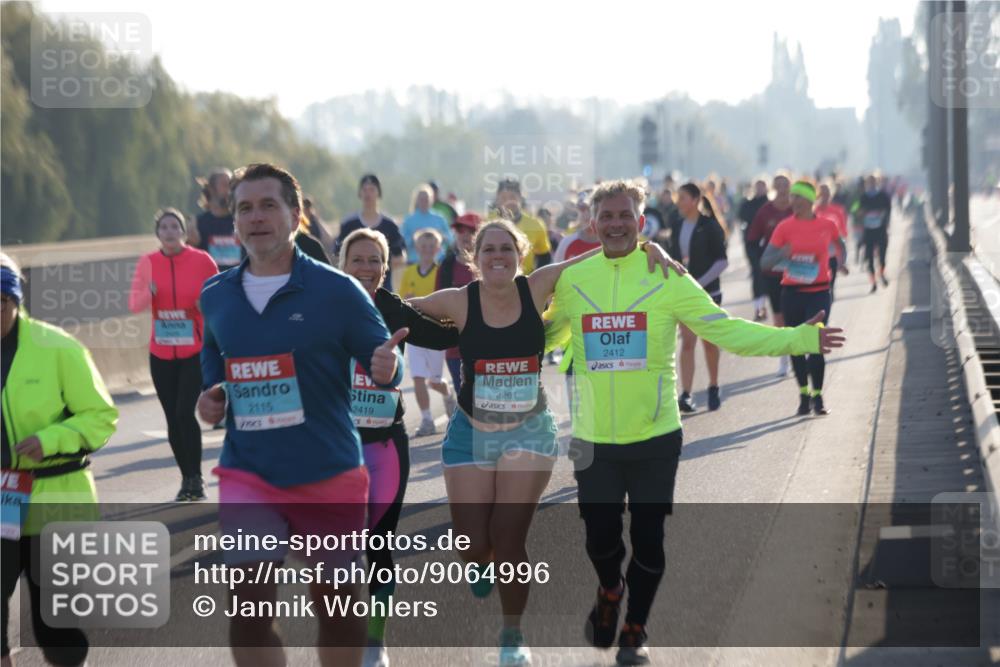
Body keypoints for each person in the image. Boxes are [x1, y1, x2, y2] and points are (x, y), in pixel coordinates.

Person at [545, 180, 844, 666]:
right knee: (599, 540)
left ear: (641, 223)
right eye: (608, 216)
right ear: (594, 223)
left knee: (649, 539)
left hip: (656, 435)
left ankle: (636, 629)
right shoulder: (573, 281)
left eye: (626, 216)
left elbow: (725, 330)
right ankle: (609, 588)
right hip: (591, 439)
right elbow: (540, 336)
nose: (617, 223)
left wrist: (799, 339)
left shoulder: (668, 278)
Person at [409, 219, 679, 667]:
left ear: (520, 254)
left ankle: (512, 635)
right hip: (470, 434)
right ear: (475, 259)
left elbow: (597, 253)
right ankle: (479, 559)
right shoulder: (458, 300)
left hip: (528, 431)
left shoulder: (535, 287)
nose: (498, 256)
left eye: (506, 249)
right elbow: (402, 307)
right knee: (472, 545)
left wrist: (651, 247)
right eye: (489, 249)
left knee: (508, 539)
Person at [197, 163, 405, 667]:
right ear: (234, 221)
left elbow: (385, 362)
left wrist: (388, 366)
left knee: (336, 611)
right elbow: (213, 382)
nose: (256, 217)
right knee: (247, 615)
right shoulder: (216, 296)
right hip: (249, 472)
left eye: (269, 205)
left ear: (296, 216)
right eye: (245, 207)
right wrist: (210, 402)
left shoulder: (338, 291)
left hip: (327, 471)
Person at [339, 228, 459, 667]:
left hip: (386, 445)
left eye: (375, 260)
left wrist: (488, 304)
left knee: (379, 546)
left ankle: (375, 640)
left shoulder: (393, 309)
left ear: (386, 267)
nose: (366, 268)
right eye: (358, 259)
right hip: (335, 448)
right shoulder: (323, 308)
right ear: (341, 262)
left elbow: (444, 335)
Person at [2, 253, 118, 667]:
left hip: (54, 493)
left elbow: (100, 417)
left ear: (16, 300)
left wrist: (50, 439)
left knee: (55, 618)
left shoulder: (58, 347)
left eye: (1, 301)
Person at [129, 208, 219, 501]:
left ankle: (198, 477)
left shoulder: (201, 260)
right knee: (172, 418)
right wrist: (150, 293)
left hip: (193, 349)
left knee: (185, 412)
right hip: (161, 352)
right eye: (164, 227)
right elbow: (134, 304)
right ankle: (186, 479)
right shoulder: (147, 263)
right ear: (158, 233)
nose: (169, 231)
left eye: (174, 226)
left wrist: (202, 303)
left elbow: (218, 298)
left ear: (183, 231)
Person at [761, 181, 846, 415]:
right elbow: (765, 262)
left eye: (799, 198)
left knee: (816, 342)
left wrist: (841, 261)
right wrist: (783, 253)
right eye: (792, 198)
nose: (794, 203)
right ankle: (803, 394)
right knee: (797, 344)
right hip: (792, 293)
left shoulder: (828, 224)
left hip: (819, 292)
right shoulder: (784, 227)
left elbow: (840, 244)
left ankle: (818, 397)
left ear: (810, 201)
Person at [670, 183, 729, 413]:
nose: (678, 202)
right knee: (687, 342)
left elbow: (722, 261)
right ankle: (686, 394)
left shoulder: (710, 226)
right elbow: (673, 258)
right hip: (685, 296)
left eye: (682, 197)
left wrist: (699, 283)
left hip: (709, 294)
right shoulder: (676, 225)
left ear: (695, 200)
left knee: (709, 342)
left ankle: (713, 386)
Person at [399, 228, 458, 434]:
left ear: (437, 248)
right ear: (417, 248)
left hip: (436, 331)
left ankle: (448, 394)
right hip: (415, 333)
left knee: (434, 381)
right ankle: (426, 420)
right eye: (423, 246)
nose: (426, 249)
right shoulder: (409, 273)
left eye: (431, 246)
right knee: (417, 377)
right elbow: (403, 300)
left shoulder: (440, 272)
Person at [746, 174, 794, 376]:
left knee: (795, 315)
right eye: (779, 186)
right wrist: (760, 262)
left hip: (796, 270)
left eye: (786, 185)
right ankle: (784, 359)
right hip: (773, 272)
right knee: (779, 316)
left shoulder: (797, 209)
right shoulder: (765, 211)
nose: (783, 189)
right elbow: (752, 239)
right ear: (774, 188)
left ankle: (798, 353)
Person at [436, 212, 481, 393]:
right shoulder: (446, 266)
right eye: (460, 230)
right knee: (464, 396)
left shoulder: (488, 266)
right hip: (455, 347)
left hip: (484, 344)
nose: (465, 235)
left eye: (471, 230)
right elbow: (439, 303)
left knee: (484, 398)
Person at [336, 174, 406, 287]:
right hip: (352, 286)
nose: (368, 193)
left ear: (378, 193)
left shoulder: (390, 225)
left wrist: (377, 265)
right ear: (360, 193)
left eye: (372, 189)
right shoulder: (349, 225)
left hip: (383, 288)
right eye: (364, 189)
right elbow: (338, 255)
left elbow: (400, 257)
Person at [491, 179, 552, 273]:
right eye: (503, 197)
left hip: (525, 282)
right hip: (494, 280)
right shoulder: (487, 222)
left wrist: (534, 279)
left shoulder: (535, 224)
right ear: (497, 199)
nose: (508, 202)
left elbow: (544, 256)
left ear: (520, 198)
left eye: (512, 197)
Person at [190, 168, 242, 269]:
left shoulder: (242, 220)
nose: (230, 190)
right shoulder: (198, 223)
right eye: (224, 185)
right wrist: (191, 245)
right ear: (211, 189)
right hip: (211, 283)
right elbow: (189, 262)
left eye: (232, 186)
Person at [738, 180, 770, 321]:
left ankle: (772, 307)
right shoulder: (748, 204)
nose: (760, 189)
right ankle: (759, 307)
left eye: (762, 186)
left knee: (769, 276)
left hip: (769, 245)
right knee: (757, 273)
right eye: (758, 186)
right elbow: (742, 216)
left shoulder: (771, 204)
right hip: (752, 243)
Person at [814, 182, 849, 301]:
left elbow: (843, 231)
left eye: (826, 193)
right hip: (817, 251)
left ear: (830, 194)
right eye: (822, 193)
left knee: (831, 282)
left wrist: (842, 258)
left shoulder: (838, 210)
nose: (824, 196)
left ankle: (828, 302)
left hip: (833, 249)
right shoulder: (813, 211)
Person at [856, 174, 892, 293]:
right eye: (869, 182)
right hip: (868, 231)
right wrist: (863, 214)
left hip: (881, 230)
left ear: (877, 182)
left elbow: (888, 210)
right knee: (869, 259)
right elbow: (859, 212)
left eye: (873, 182)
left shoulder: (883, 196)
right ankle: (873, 283)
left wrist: (885, 219)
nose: (871, 184)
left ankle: (881, 274)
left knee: (882, 257)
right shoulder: (863, 197)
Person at [400, 185, 452, 265]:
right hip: (415, 262)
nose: (424, 201)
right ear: (417, 200)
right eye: (421, 199)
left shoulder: (439, 218)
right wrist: (414, 237)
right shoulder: (409, 220)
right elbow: (402, 243)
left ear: (432, 200)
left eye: (426, 199)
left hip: (437, 263)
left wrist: (441, 236)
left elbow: (450, 239)